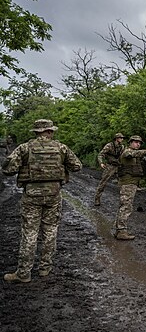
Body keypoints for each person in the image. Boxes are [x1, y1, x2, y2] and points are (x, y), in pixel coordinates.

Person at [1, 119, 82, 283]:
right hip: (53, 195)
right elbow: (77, 166)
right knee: (50, 231)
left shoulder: (25, 148)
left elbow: (7, 169)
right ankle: (45, 268)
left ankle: (24, 274)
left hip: (32, 195)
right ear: (50, 132)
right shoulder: (61, 148)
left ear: (36, 132)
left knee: (30, 233)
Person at [114, 135, 146, 240]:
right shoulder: (127, 152)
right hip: (127, 184)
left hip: (131, 183)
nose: (138, 144)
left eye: (139, 143)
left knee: (124, 206)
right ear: (131, 142)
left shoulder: (133, 154)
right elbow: (130, 154)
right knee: (126, 207)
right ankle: (121, 231)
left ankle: (119, 230)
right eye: (136, 142)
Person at [94, 133, 125, 206]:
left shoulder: (122, 147)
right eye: (121, 138)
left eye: (122, 138)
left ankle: (123, 201)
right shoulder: (109, 146)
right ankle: (97, 198)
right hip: (110, 166)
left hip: (118, 166)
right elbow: (100, 155)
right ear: (117, 138)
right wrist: (101, 163)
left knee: (123, 184)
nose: (122, 139)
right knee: (103, 183)